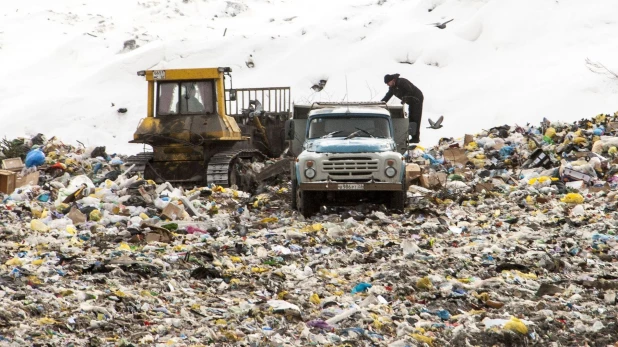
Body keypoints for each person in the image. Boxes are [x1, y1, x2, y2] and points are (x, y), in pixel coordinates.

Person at [381, 73, 424, 143]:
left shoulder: (402, 82)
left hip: (417, 98)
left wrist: (405, 98)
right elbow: (387, 96)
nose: (387, 85)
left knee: (416, 117)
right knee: (411, 118)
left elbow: (410, 90)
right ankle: (413, 136)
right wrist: (381, 103)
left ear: (392, 80)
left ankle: (416, 138)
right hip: (410, 101)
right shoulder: (392, 88)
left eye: (388, 83)